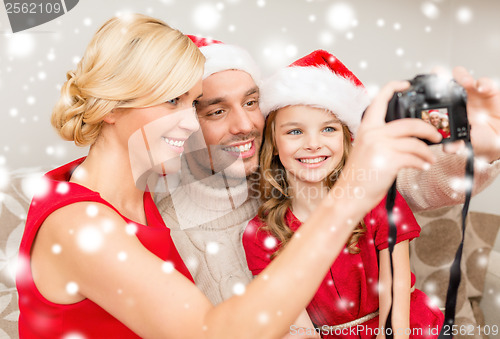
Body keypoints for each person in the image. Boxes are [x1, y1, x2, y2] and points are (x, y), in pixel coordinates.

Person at [15, 14, 440, 338]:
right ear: (110, 108)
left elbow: (410, 188)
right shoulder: (77, 225)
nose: (188, 122)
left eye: (192, 104)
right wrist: (345, 200)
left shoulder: (143, 192)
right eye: (172, 103)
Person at [156, 36, 500, 308]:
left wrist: (481, 148)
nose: (245, 124)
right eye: (216, 111)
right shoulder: (163, 223)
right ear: (184, 122)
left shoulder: (301, 173)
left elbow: (415, 182)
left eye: (250, 103)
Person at [242, 50, 443, 338]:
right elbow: (297, 326)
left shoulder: (380, 201)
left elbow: (395, 296)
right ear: (273, 143)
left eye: (328, 129)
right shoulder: (261, 234)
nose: (313, 144)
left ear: (346, 137)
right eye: (295, 132)